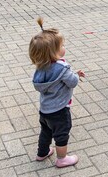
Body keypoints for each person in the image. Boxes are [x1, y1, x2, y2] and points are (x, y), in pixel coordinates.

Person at [29, 18, 84, 168]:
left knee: (45, 132)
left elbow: (55, 80)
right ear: (54, 51)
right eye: (62, 45)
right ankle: (62, 158)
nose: (64, 47)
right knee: (61, 135)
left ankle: (42, 153)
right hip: (60, 110)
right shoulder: (62, 68)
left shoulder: (41, 67)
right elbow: (72, 82)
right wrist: (76, 75)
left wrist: (72, 73)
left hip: (45, 110)